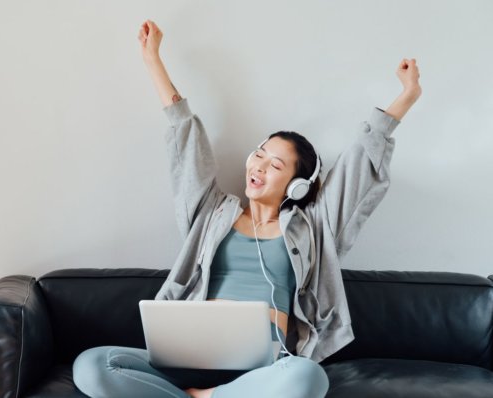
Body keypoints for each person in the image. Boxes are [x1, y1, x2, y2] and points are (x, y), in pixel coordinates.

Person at [72, 19, 422, 398]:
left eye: (275, 165)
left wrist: (405, 97)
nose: (259, 165)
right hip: (187, 359)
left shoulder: (313, 227)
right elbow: (185, 138)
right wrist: (152, 59)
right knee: (93, 364)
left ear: (297, 185)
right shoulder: (210, 214)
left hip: (264, 371)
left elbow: (355, 169)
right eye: (259, 154)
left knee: (307, 378)